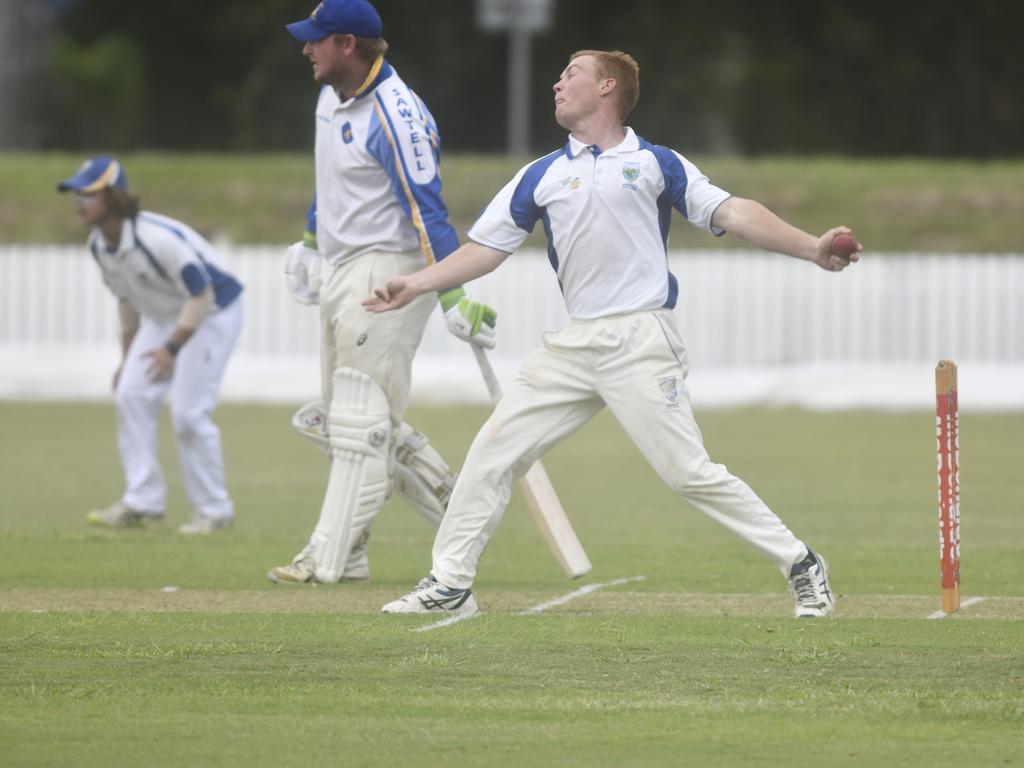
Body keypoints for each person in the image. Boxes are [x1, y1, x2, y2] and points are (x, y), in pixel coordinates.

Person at [365, 50, 863, 619]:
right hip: (575, 345)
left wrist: (812, 247)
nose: (556, 83)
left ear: (607, 87)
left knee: (688, 474)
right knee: (491, 453)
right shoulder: (542, 174)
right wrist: (418, 284)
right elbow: (485, 249)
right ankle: (451, 584)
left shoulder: (656, 162)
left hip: (641, 340)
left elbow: (732, 212)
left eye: (570, 73)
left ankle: (802, 564)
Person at [267, 0, 496, 585]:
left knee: (359, 426)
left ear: (347, 43)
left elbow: (429, 213)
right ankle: (456, 514)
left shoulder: (397, 115)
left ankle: (328, 555)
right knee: (346, 424)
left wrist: (450, 295)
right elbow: (330, 180)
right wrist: (311, 241)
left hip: (390, 272)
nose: (305, 48)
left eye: (315, 40)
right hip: (342, 268)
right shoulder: (330, 98)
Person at [59, 156, 244, 535]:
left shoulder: (155, 238)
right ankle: (143, 502)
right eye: (76, 193)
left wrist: (171, 349)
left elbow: (202, 293)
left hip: (213, 311)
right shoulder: (99, 246)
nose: (79, 201)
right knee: (131, 392)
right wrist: (126, 361)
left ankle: (215, 511)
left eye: (88, 193)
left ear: (112, 196)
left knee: (189, 414)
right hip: (165, 316)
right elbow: (126, 302)